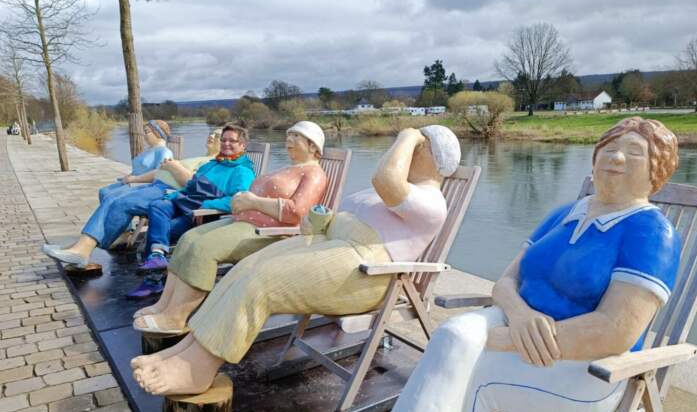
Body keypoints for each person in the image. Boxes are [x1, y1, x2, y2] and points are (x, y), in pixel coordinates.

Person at [301, 117, 682, 412]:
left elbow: (614, 331)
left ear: (656, 171)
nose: (616, 158)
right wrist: (519, 317)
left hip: (587, 374)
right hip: (518, 330)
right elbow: (506, 281)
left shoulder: (650, 232)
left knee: (469, 377)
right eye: (609, 148)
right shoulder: (567, 214)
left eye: (635, 153)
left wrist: (499, 341)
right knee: (450, 335)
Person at [131, 125, 461, 397]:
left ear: (434, 158)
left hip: (365, 272)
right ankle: (185, 350)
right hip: (332, 246)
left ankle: (197, 370)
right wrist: (324, 220)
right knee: (248, 268)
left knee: (263, 283)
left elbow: (386, 179)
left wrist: (408, 134)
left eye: (421, 146)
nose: (410, 150)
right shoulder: (395, 194)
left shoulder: (430, 201)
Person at [132, 121, 328, 334]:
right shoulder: (289, 168)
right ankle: (164, 305)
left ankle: (177, 318)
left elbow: (296, 212)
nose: (288, 140)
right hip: (244, 222)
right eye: (288, 135)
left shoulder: (314, 174)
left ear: (312, 146)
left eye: (296, 136)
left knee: (204, 248)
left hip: (269, 233)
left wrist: (253, 202)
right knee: (189, 238)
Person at [41, 129, 222, 269]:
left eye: (218, 136)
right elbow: (160, 171)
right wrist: (134, 179)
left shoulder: (213, 164)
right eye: (212, 133)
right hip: (156, 185)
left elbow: (193, 186)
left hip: (171, 192)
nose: (212, 136)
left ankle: (84, 249)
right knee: (111, 196)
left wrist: (175, 168)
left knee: (121, 203)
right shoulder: (200, 158)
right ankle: (80, 246)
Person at [136, 123, 256, 272]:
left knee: (159, 230)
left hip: (205, 215)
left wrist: (207, 204)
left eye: (232, 141)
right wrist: (172, 196)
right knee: (158, 205)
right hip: (187, 205)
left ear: (243, 145)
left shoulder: (242, 171)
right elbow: (190, 187)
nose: (226, 144)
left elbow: (239, 201)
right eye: (224, 140)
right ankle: (157, 259)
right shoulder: (212, 164)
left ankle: (154, 277)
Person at [98, 120, 173, 203]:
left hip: (143, 185)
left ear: (157, 133)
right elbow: (140, 169)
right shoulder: (149, 150)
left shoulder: (164, 152)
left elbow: (160, 172)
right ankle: (107, 214)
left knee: (111, 197)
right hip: (132, 181)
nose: (144, 135)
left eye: (147, 132)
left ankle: (110, 214)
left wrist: (134, 179)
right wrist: (129, 176)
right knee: (103, 191)